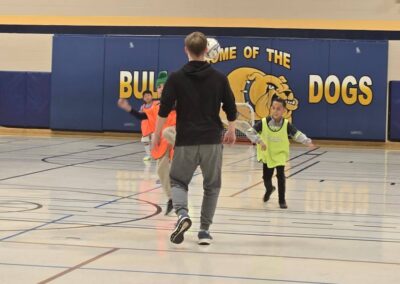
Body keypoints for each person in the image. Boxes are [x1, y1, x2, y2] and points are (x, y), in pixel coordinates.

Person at [152, 32, 237, 245]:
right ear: (207, 50)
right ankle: (204, 231)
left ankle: (182, 215)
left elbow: (163, 109)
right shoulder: (219, 78)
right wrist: (232, 129)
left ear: (185, 49)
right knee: (212, 186)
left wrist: (156, 134)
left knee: (178, 181)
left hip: (186, 139)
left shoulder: (176, 77)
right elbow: (230, 107)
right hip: (211, 140)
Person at [118, 71, 176, 215]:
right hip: (163, 142)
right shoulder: (156, 107)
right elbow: (143, 115)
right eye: (159, 86)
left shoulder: (177, 101)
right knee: (161, 171)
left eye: (164, 86)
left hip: (177, 137)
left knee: (176, 171)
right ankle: (172, 198)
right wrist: (128, 109)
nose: (161, 88)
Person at [252, 97, 314, 209]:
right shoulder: (263, 122)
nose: (276, 111)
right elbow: (250, 132)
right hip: (268, 154)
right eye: (274, 108)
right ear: (271, 108)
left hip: (280, 154)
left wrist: (306, 141)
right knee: (266, 177)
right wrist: (259, 140)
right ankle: (269, 189)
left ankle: (282, 200)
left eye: (278, 109)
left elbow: (296, 134)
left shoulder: (286, 124)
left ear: (284, 111)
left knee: (281, 176)